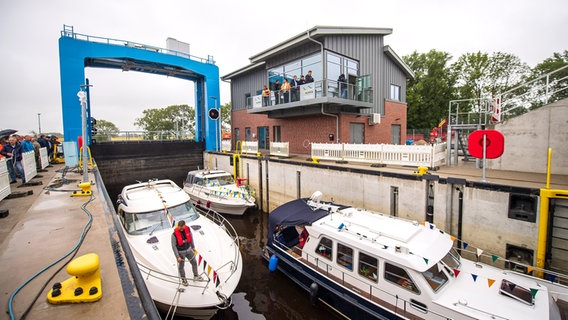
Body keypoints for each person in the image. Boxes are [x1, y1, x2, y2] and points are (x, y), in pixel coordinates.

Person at [171, 220, 201, 286]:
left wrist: (193, 247)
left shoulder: (188, 230)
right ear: (178, 226)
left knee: (194, 262)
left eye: (182, 227)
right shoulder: (174, 235)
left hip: (189, 250)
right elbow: (174, 246)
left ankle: (196, 275)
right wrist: (177, 256)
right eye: (180, 227)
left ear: (184, 226)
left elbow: (191, 238)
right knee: (181, 266)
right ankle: (183, 279)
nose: (181, 228)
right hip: (181, 252)